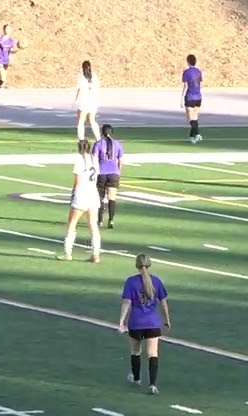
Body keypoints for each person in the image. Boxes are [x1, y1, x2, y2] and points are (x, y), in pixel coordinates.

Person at [118, 254, 171, 395]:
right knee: (153, 354)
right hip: (153, 322)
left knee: (136, 352)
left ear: (136, 265)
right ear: (149, 264)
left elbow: (127, 302)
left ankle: (136, 379)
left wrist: (121, 321)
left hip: (136, 322)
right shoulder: (157, 281)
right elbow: (163, 303)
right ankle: (152, 384)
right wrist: (167, 319)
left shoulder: (131, 282)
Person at [58, 138, 102, 262]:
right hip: (93, 195)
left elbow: (77, 181)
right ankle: (96, 254)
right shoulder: (94, 159)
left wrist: (73, 194)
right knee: (93, 225)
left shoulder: (79, 159)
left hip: (81, 195)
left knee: (72, 224)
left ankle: (67, 253)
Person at [93, 124, 123, 229]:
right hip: (114, 173)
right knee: (112, 198)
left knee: (100, 197)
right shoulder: (117, 144)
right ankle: (111, 220)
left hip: (101, 173)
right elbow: (120, 161)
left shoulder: (98, 144)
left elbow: (94, 159)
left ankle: (100, 220)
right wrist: (118, 173)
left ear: (102, 132)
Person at [73, 60, 101, 141]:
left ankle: (81, 138)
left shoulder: (81, 78)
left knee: (81, 121)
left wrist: (75, 100)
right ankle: (98, 138)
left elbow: (79, 90)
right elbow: (96, 88)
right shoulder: (94, 77)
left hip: (84, 102)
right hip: (93, 102)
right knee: (92, 121)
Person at [0, 24, 18, 100]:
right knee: (2, 76)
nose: (7, 31)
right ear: (3, 30)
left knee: (1, 78)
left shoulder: (11, 40)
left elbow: (11, 50)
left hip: (6, 61)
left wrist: (16, 50)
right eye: (6, 29)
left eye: (9, 29)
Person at [180, 54, 203, 143]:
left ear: (188, 61)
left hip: (190, 97)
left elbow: (185, 86)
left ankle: (197, 134)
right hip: (198, 97)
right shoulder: (198, 71)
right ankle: (192, 136)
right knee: (195, 117)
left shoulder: (186, 72)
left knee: (190, 119)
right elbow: (200, 84)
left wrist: (181, 98)